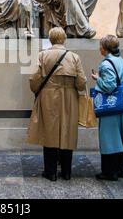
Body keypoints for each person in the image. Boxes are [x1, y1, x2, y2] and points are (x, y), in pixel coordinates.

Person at [27, 27, 87, 181]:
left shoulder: (42, 55)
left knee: (49, 132)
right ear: (64, 39)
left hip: (48, 97)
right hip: (69, 98)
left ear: (50, 39)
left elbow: (34, 79)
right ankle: (66, 172)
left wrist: (39, 90)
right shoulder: (74, 57)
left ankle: (51, 172)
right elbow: (81, 83)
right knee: (68, 132)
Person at [91, 35, 123, 181]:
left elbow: (109, 86)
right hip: (122, 105)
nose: (99, 48)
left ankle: (109, 172)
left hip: (111, 107)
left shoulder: (106, 64)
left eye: (100, 45)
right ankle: (121, 169)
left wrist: (97, 79)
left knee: (110, 138)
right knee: (121, 137)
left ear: (105, 48)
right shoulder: (121, 60)